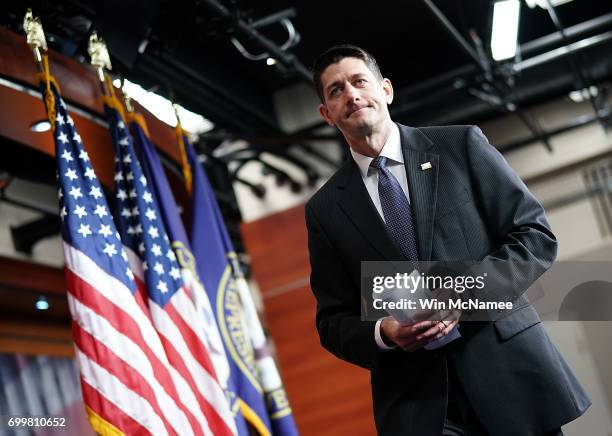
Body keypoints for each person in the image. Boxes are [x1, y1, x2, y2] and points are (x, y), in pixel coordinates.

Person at [305, 44, 590, 436]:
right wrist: (384, 333)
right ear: (326, 114)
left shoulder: (460, 145)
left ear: (385, 90)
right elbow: (332, 321)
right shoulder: (324, 210)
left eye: (359, 81)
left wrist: (461, 294)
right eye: (336, 91)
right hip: (419, 405)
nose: (351, 95)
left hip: (507, 371)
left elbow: (534, 236)